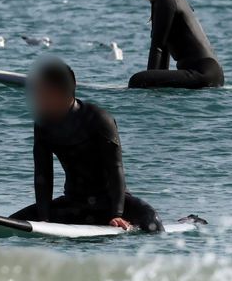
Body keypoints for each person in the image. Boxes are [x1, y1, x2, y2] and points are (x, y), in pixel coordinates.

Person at [11, 59, 163, 232]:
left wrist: (117, 214)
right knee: (12, 222)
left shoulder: (99, 119)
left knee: (152, 221)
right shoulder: (43, 124)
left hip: (110, 203)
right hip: (75, 204)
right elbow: (43, 174)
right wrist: (44, 219)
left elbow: (116, 169)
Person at [128, 0, 224, 90]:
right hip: (211, 73)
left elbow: (158, 47)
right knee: (142, 79)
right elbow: (164, 50)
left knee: (137, 80)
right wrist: (154, 81)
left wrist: (147, 85)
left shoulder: (165, 0)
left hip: (204, 74)